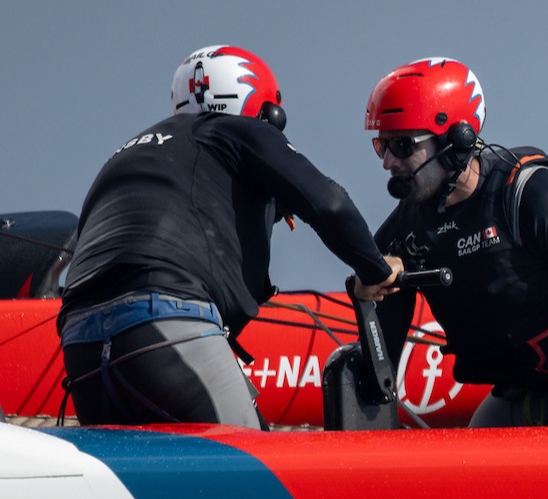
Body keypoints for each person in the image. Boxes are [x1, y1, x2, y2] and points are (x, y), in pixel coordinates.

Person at [56, 46, 401, 427]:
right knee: (254, 475)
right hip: (167, 323)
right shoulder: (237, 129)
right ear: (267, 112)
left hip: (79, 341)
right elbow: (329, 203)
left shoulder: (126, 153)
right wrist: (375, 270)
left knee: (138, 487)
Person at [361, 58, 548, 436]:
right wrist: (366, 294)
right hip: (511, 398)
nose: (387, 162)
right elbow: (379, 370)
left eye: (401, 145)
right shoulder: (402, 236)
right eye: (380, 145)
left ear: (455, 141)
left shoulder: (538, 197)